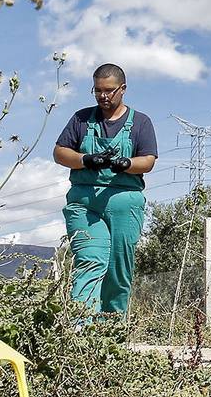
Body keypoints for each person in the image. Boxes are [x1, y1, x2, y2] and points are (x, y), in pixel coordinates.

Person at [53, 63, 159, 317]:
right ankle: (80, 331)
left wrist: (127, 164)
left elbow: (149, 160)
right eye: (98, 90)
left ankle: (112, 331)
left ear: (122, 89)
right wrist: (85, 159)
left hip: (125, 202)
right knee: (90, 260)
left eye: (109, 90)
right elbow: (59, 152)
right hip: (85, 204)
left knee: (118, 268)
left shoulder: (140, 122)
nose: (103, 96)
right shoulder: (81, 119)